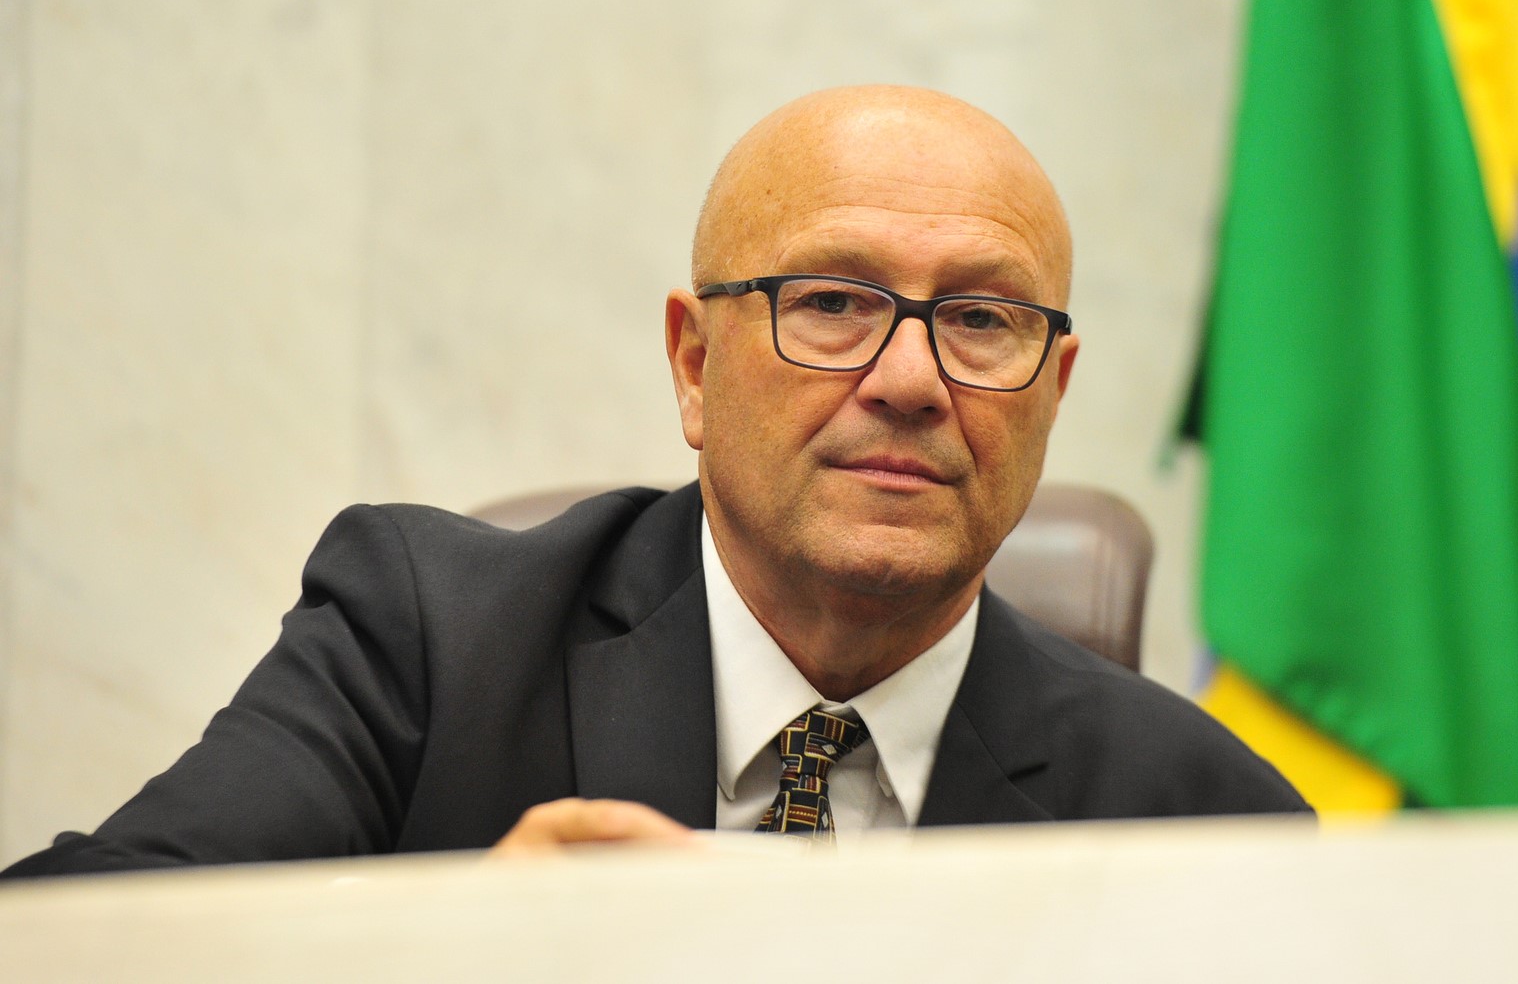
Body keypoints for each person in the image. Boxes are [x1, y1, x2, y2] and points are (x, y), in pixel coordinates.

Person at [2, 85, 1307, 878]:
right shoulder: (426, 646)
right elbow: (74, 936)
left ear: (1053, 391)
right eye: (833, 301)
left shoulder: (1204, 821)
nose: (912, 379)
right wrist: (446, 953)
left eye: (980, 320)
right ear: (694, 365)